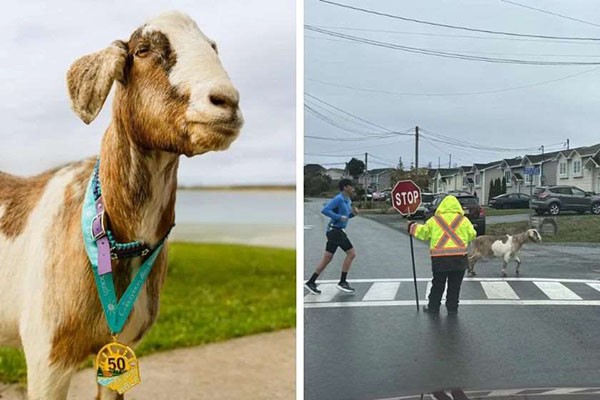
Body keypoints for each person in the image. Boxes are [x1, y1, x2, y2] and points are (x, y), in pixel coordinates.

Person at [408, 195, 476, 315]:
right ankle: (452, 308)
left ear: (442, 206)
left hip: (440, 260)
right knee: (455, 286)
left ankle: (433, 307)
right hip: (459, 260)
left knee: (438, 284)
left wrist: (412, 227)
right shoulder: (463, 221)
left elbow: (423, 233)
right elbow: (472, 234)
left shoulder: (435, 220)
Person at [304, 178, 359, 294]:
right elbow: (325, 210)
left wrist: (353, 214)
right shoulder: (338, 199)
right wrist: (338, 217)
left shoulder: (347, 200)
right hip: (335, 231)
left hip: (337, 230)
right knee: (351, 253)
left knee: (328, 257)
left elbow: (346, 216)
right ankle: (342, 282)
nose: (353, 188)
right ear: (345, 187)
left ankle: (311, 282)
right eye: (351, 186)